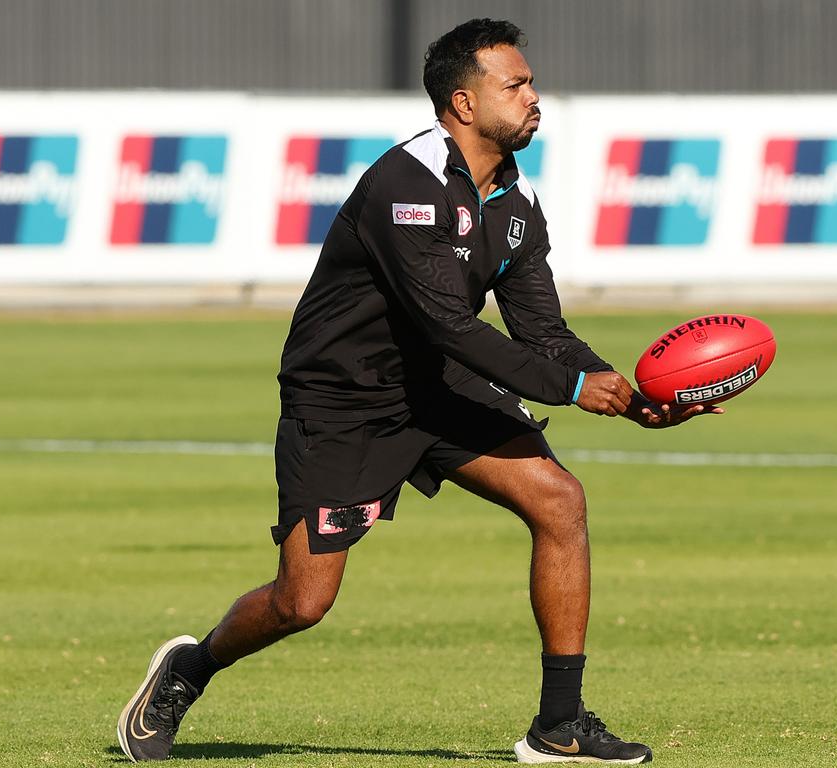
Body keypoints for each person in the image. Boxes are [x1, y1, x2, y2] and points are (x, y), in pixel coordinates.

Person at [117, 18, 720, 765]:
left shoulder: (516, 202)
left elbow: (545, 332)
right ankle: (188, 668)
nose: (536, 97)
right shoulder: (405, 184)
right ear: (464, 104)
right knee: (300, 602)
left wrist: (635, 400)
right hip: (346, 400)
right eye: (517, 85)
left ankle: (558, 726)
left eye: (531, 82)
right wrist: (570, 387)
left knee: (560, 500)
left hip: (437, 386)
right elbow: (448, 325)